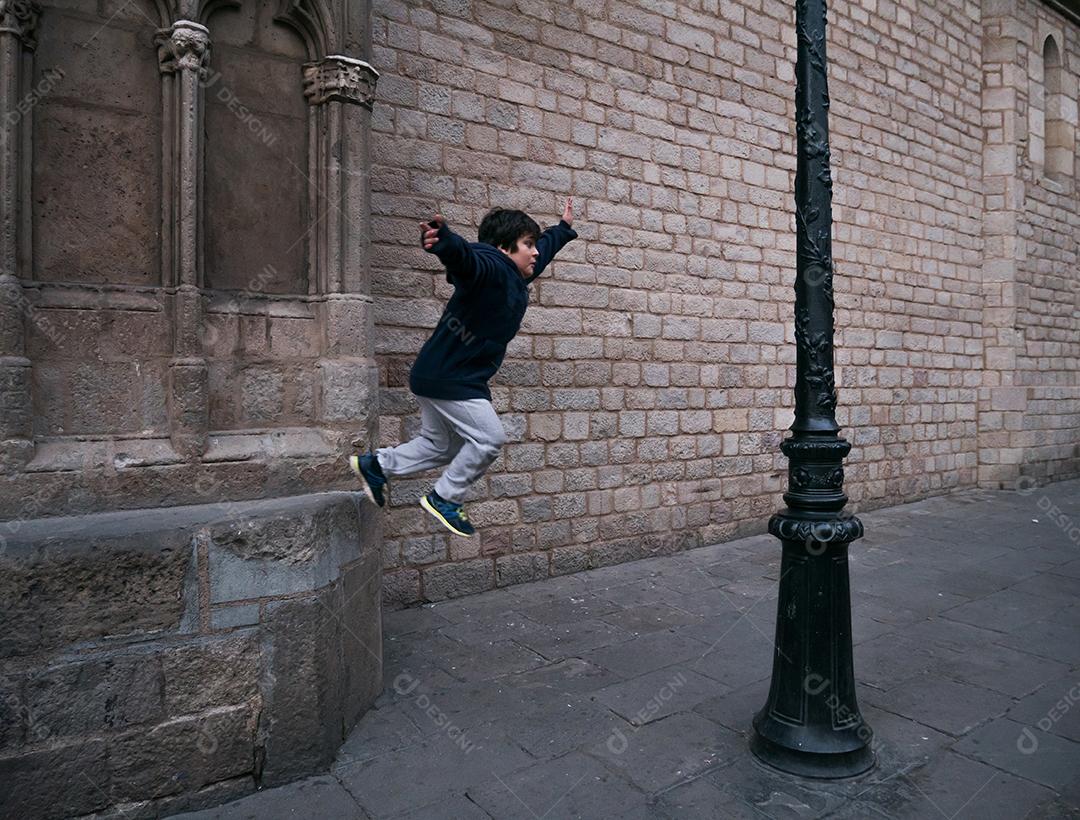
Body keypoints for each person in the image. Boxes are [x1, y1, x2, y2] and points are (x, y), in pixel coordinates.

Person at [350, 199, 578, 537]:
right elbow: (469, 260)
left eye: (533, 244)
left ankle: (376, 465)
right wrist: (447, 244)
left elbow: (542, 251)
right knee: (488, 439)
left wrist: (562, 229)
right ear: (504, 248)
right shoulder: (493, 266)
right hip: (452, 378)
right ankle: (444, 498)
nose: (534, 253)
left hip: (435, 375)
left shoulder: (514, 274)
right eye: (527, 245)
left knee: (442, 446)